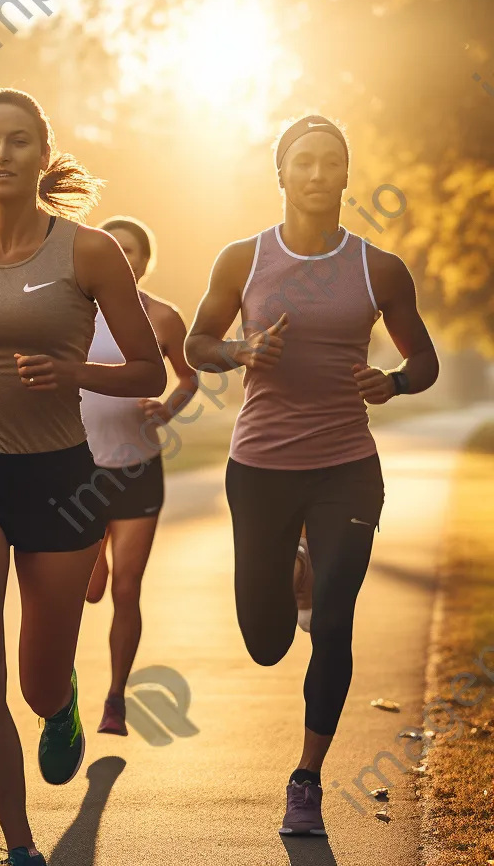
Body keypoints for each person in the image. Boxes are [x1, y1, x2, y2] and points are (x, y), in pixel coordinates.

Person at [0, 87, 166, 866]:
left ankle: (64, 701)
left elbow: (146, 366)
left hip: (61, 482)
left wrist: (74, 369)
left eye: (17, 141)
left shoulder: (88, 251)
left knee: (35, 684)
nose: (1, 155)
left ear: (43, 153)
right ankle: (18, 847)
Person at [184, 114, 439, 838]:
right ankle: (295, 569)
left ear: (346, 174)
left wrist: (393, 382)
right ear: (282, 175)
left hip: (347, 470)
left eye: (332, 162)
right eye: (305, 162)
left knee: (332, 621)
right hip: (260, 468)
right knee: (266, 641)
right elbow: (198, 342)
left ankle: (306, 780)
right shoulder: (243, 259)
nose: (319, 173)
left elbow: (424, 361)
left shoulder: (378, 268)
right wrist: (238, 352)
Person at [80, 215, 199, 736]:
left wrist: (169, 408)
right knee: (87, 590)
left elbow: (189, 376)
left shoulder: (164, 317)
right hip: (75, 470)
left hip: (137, 468)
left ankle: (114, 699)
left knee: (127, 590)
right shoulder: (71, 312)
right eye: (114, 250)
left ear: (145, 262)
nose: (123, 259)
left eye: (132, 251)